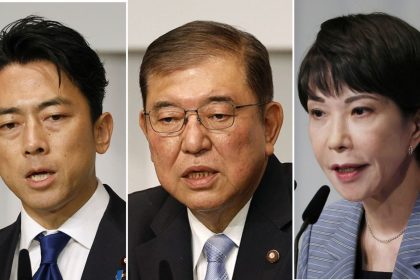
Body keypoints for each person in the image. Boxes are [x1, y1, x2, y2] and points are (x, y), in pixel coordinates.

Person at [129, 21, 292, 279]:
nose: (194, 143)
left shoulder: (314, 224)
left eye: (217, 115)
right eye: (169, 119)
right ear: (147, 131)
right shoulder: (124, 228)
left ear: (269, 126)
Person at [0, 16, 125, 279]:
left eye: (54, 117)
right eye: (10, 124)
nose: (33, 144)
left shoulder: (151, 247)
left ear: (101, 132)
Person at [297, 13, 420, 279]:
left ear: (416, 126)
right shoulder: (316, 236)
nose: (336, 140)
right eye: (319, 113)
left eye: (360, 111)